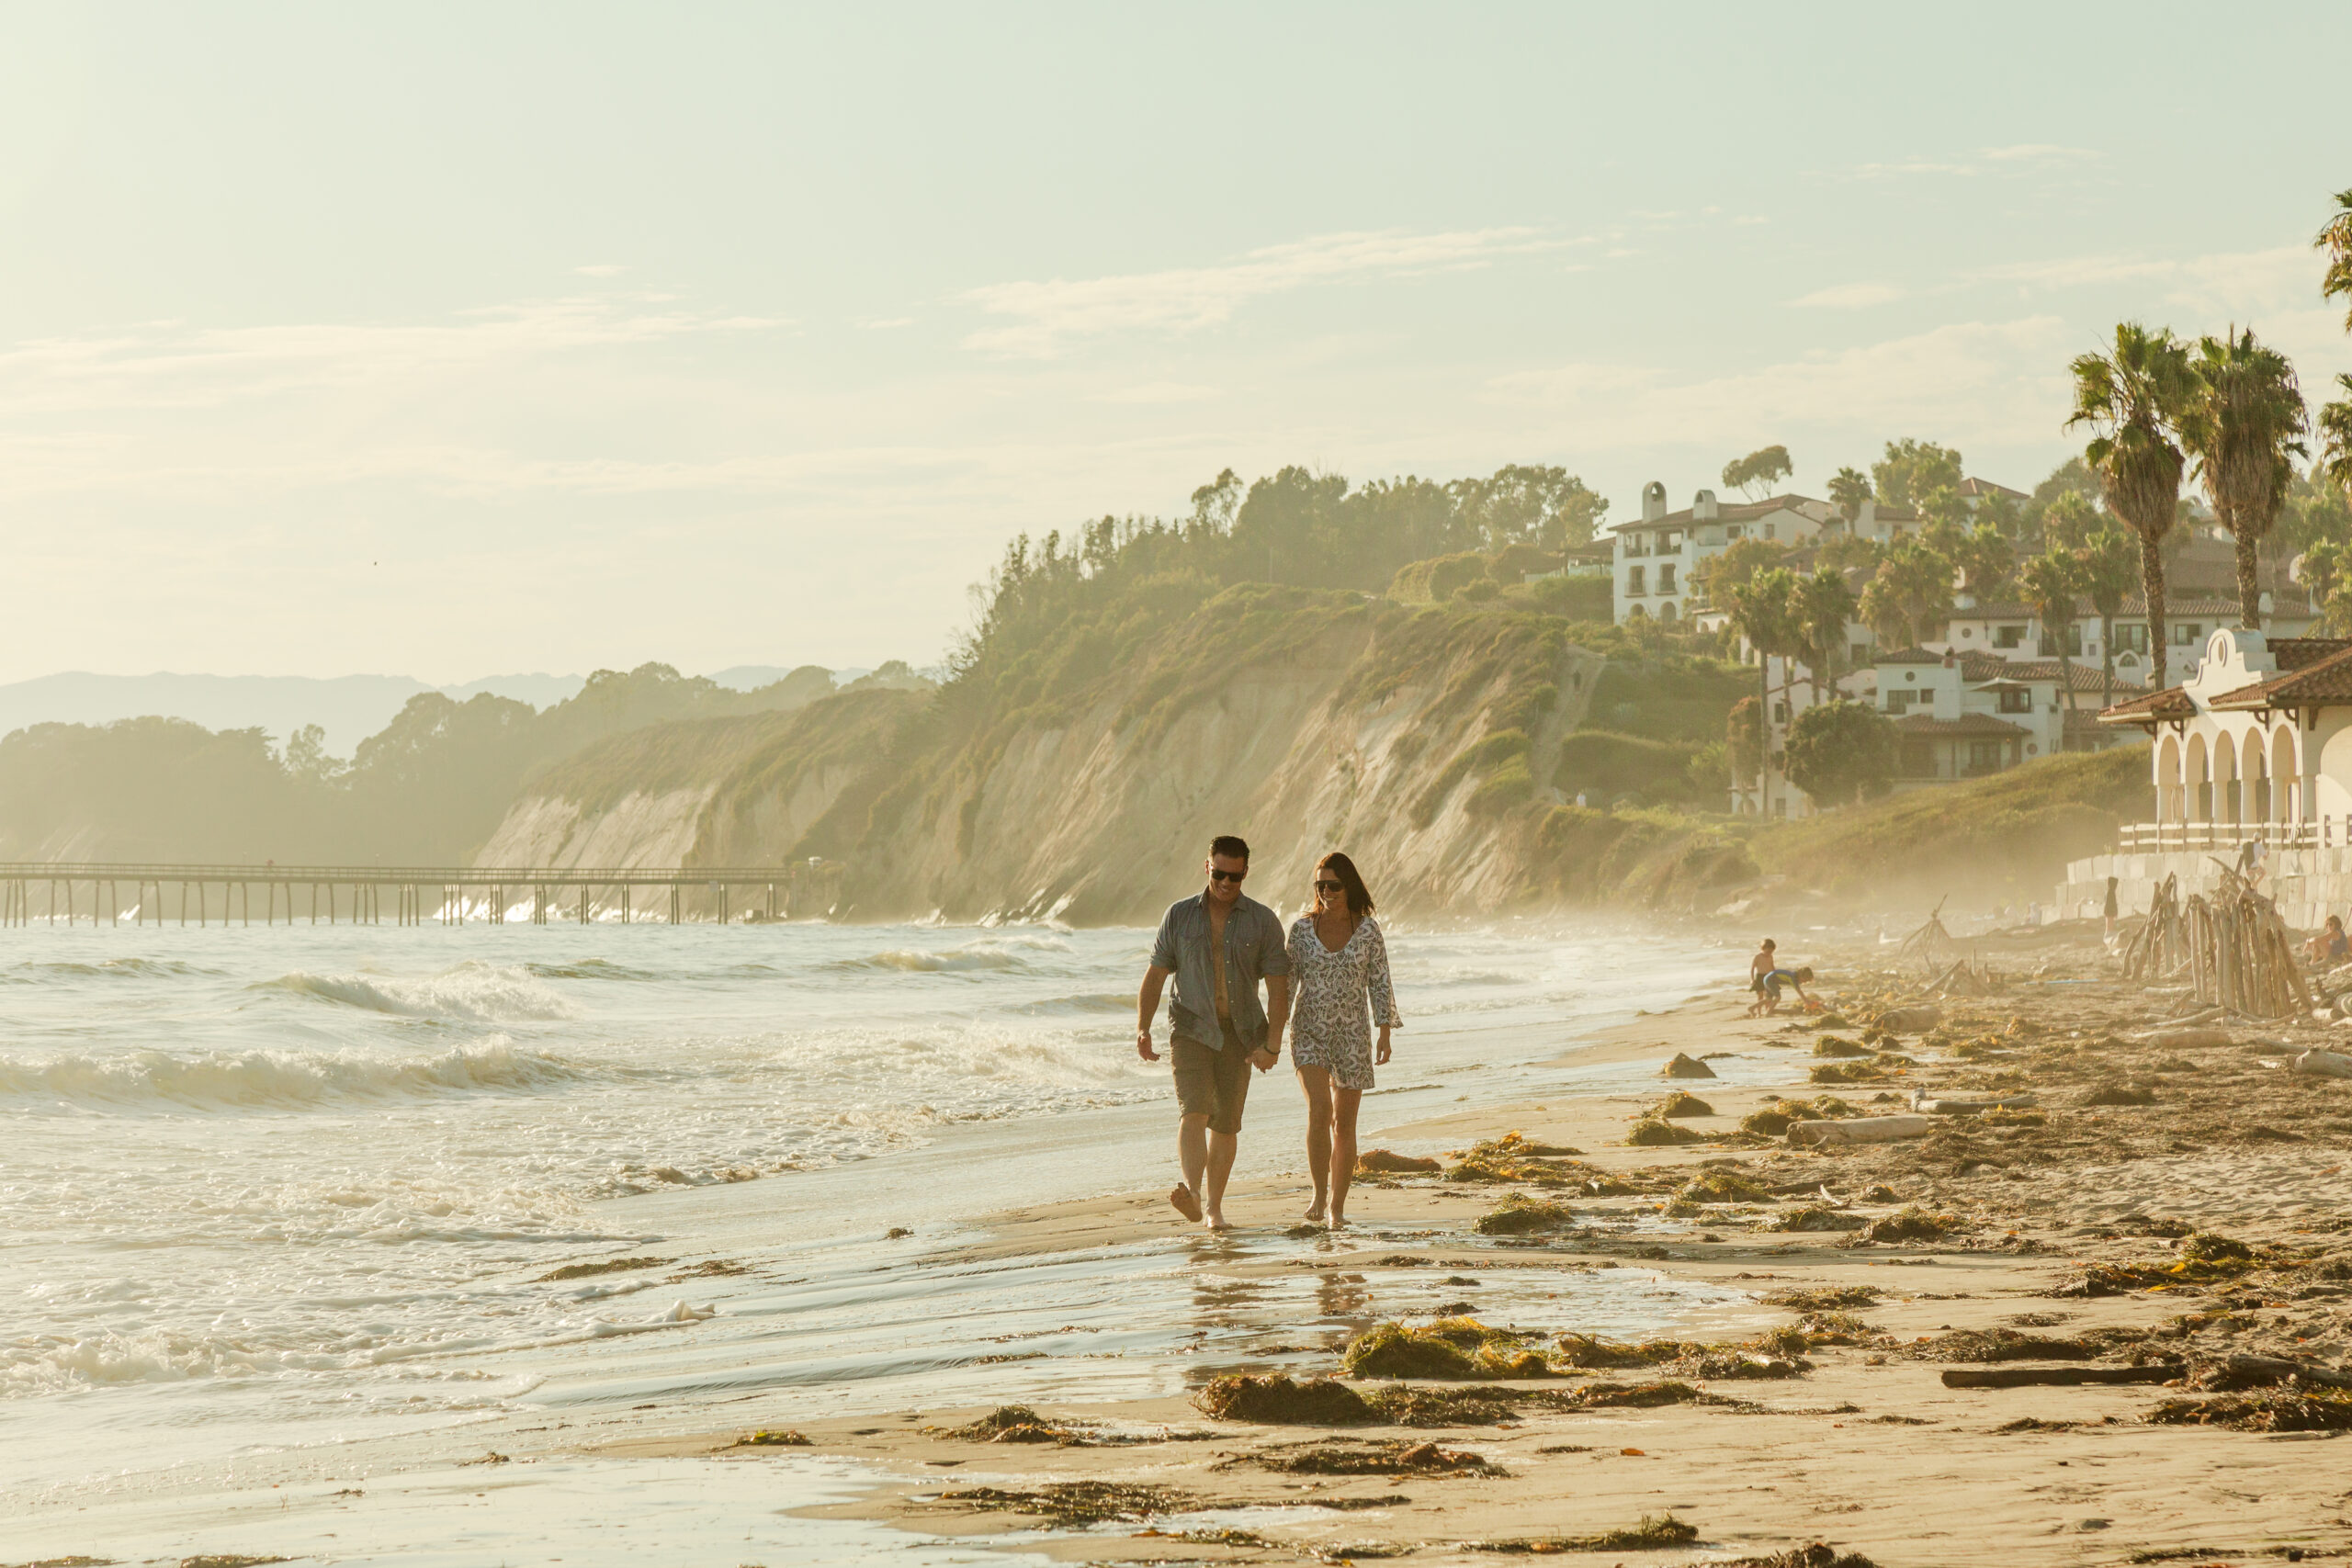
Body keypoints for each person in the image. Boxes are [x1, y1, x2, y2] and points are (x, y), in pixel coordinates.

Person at [1136, 834, 1292, 1231]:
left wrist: (1273, 1045)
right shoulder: (1179, 915)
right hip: (1190, 1027)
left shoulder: (1262, 920)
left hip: (1240, 1033)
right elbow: (1155, 975)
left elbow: (1278, 988)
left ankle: (1214, 1208)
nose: (1225, 884)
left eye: (1234, 877)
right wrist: (1143, 1028)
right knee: (1194, 1110)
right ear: (1207, 867)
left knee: (1225, 1124)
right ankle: (1191, 1192)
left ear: (1245, 873)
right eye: (1219, 874)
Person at [1284, 852, 1400, 1230]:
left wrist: (1384, 1030)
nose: (1326, 892)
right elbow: (1286, 986)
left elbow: (1380, 982)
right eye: (1320, 885)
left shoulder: (1368, 930)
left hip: (1352, 1034)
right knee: (1321, 1110)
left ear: (1348, 885)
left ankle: (1337, 1207)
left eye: (1333, 885)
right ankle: (1319, 1193)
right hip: (1308, 1032)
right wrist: (1270, 1032)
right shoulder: (1301, 931)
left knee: (1345, 1124)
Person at [1747, 964, 1815, 1017]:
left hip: (1768, 978)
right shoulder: (1793, 978)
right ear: (1801, 975)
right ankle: (1768, 1013)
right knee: (1778, 997)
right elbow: (1799, 991)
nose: (1804, 982)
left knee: (1768, 999)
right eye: (1804, 980)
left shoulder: (1794, 976)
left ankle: (1751, 1008)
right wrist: (1806, 1001)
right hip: (1770, 979)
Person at [1747, 939, 1777, 1006]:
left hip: (1769, 976)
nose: (1769, 953)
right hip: (1760, 977)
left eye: (1771, 951)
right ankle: (1759, 1012)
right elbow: (1752, 968)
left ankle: (1767, 1009)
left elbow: (1772, 966)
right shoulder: (1758, 957)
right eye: (1768, 951)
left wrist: (1775, 975)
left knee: (1768, 995)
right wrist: (1752, 979)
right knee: (1760, 995)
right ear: (1763, 948)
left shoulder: (1770, 957)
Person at [2102, 876, 2120, 945]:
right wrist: (2115, 912)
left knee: (2110, 923)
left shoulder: (2110, 892)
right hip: (2109, 911)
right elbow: (2111, 903)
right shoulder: (2110, 892)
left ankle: (2109, 935)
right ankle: (2108, 937)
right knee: (2109, 924)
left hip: (2109, 911)